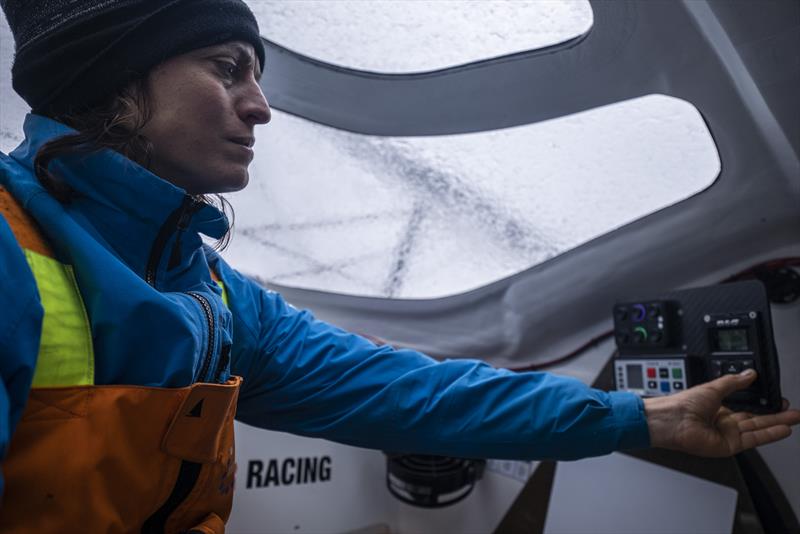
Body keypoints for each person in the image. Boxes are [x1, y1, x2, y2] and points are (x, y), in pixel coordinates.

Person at [0, 1, 797, 532]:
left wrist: (640, 419)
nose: (261, 106)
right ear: (114, 79)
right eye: (226, 66)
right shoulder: (9, 252)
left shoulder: (210, 290)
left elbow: (403, 390)